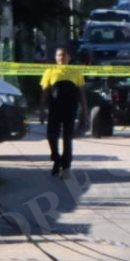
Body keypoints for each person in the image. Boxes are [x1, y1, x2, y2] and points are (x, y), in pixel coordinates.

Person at [40, 47, 88, 178]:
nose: (61, 58)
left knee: (67, 138)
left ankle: (66, 166)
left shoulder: (75, 72)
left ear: (69, 57)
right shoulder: (50, 71)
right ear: (55, 58)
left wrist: (84, 110)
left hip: (70, 108)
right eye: (58, 55)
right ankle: (56, 159)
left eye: (63, 55)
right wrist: (42, 109)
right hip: (54, 108)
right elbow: (45, 91)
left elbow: (82, 93)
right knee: (51, 136)